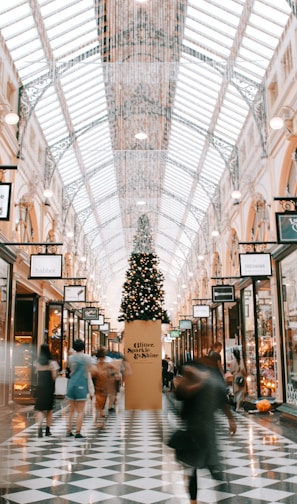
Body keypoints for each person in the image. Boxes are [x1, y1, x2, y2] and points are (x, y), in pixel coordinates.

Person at [168, 358, 236, 504]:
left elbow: (222, 401)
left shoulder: (207, 384)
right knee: (198, 470)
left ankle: (215, 499)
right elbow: (180, 395)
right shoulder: (191, 384)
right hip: (196, 433)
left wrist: (231, 419)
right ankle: (195, 501)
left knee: (208, 469)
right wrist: (230, 420)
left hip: (204, 432)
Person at [66, 338, 92, 438]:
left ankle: (68, 431)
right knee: (80, 411)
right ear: (83, 347)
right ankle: (77, 432)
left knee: (71, 410)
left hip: (71, 384)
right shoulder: (87, 358)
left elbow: (70, 369)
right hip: (81, 384)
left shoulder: (71, 358)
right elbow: (90, 369)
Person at [34, 343, 59, 437]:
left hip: (40, 388)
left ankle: (39, 429)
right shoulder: (52, 363)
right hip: (49, 388)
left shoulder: (37, 363)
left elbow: (36, 375)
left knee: (40, 409)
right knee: (49, 410)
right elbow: (54, 377)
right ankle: (47, 430)